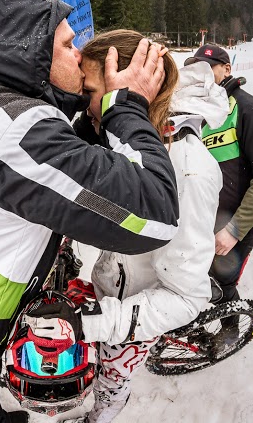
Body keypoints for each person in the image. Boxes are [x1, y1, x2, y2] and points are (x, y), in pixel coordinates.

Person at [0, 0, 179, 423]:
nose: (80, 52)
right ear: (27, 53)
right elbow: (155, 213)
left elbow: (54, 147)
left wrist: (92, 107)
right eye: (68, 45)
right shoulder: (16, 136)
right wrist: (128, 107)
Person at [56, 33, 228, 423]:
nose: (85, 104)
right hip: (112, 285)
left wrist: (96, 322)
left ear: (131, 88)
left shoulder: (189, 170)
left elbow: (187, 297)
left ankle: (100, 416)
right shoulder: (125, 137)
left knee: (112, 380)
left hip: (135, 312)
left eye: (90, 91)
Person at [187, 45, 253, 305]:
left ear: (227, 69)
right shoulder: (198, 109)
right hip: (201, 219)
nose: (200, 74)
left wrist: (234, 230)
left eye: (207, 68)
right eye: (194, 68)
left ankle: (228, 334)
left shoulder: (251, 110)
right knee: (193, 280)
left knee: (221, 286)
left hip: (230, 225)